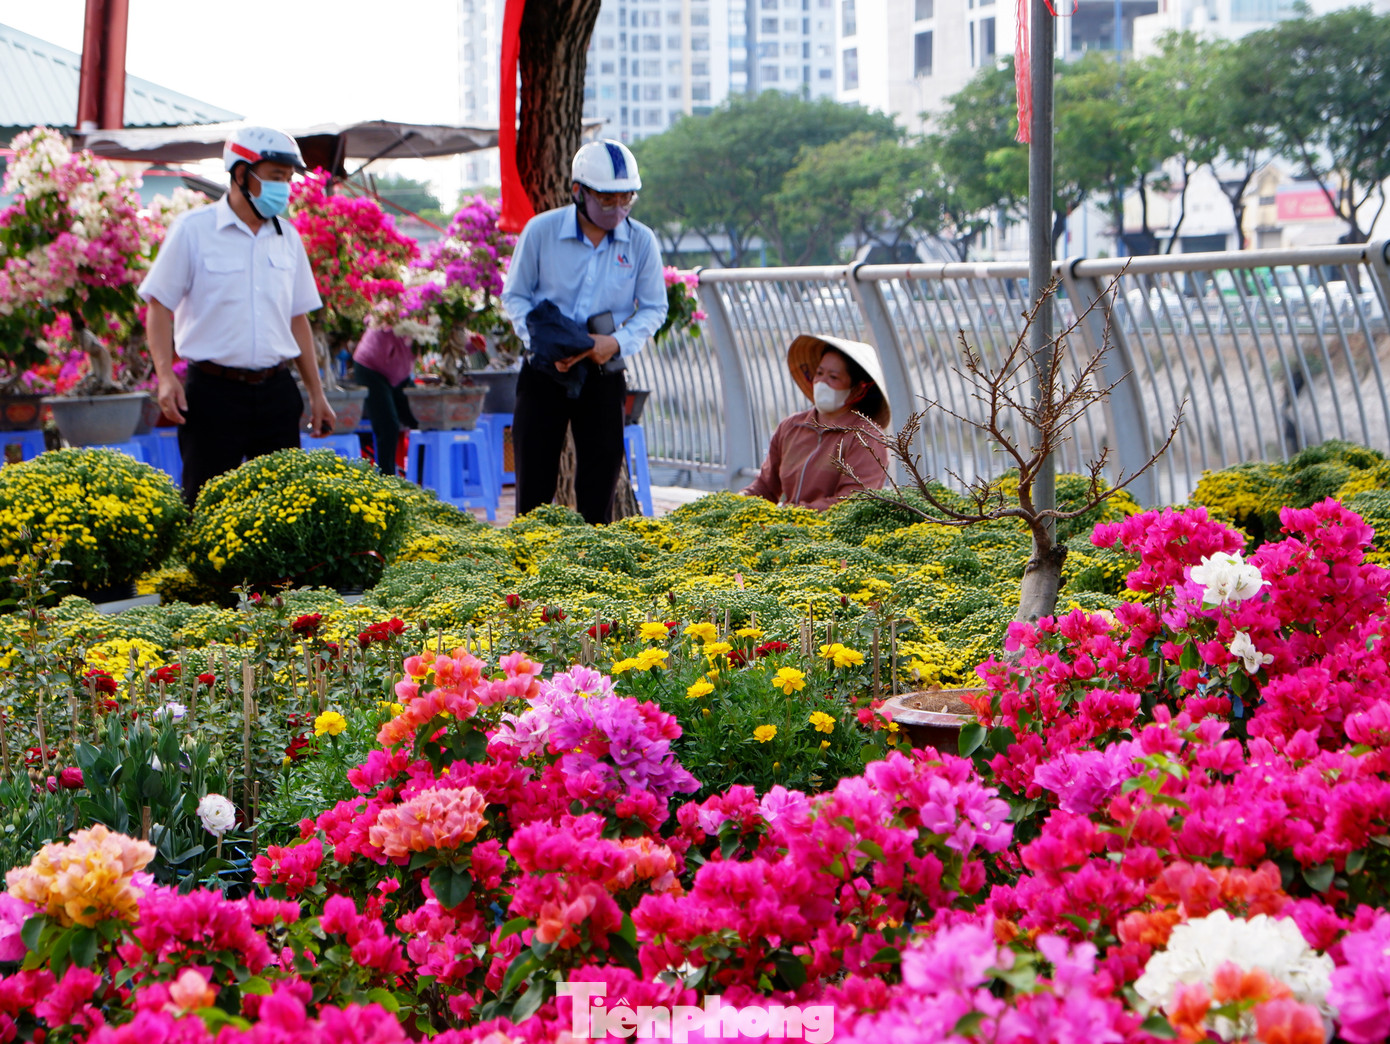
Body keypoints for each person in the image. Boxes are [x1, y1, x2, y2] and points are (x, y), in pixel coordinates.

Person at [140, 125, 336, 508]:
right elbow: (158, 306)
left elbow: (298, 319)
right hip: (212, 395)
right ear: (242, 174)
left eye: (288, 179)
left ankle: (276, 574)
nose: (285, 187)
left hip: (277, 392)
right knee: (207, 506)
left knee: (282, 512)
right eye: (277, 177)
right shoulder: (193, 231)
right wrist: (165, 377)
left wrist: (316, 393)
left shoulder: (288, 238)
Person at [500, 139, 667, 525]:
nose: (618, 209)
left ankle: (596, 571)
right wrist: (544, 343)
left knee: (600, 482)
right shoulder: (541, 231)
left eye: (627, 199)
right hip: (545, 371)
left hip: (603, 372)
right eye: (607, 200)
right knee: (534, 483)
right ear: (578, 192)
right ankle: (530, 565)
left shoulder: (641, 241)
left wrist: (616, 343)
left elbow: (655, 306)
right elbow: (516, 295)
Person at [742, 334, 891, 510]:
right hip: (786, 529)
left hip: (829, 534)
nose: (821, 382)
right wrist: (736, 501)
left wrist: (794, 514)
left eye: (833, 377)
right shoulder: (791, 427)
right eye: (819, 374)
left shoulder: (866, 438)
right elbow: (766, 487)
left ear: (857, 388)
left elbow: (852, 503)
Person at [352, 326, 416, 476]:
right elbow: (371, 319)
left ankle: (420, 475)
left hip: (399, 372)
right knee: (388, 425)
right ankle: (387, 479)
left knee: (421, 419)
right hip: (371, 367)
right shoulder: (389, 310)